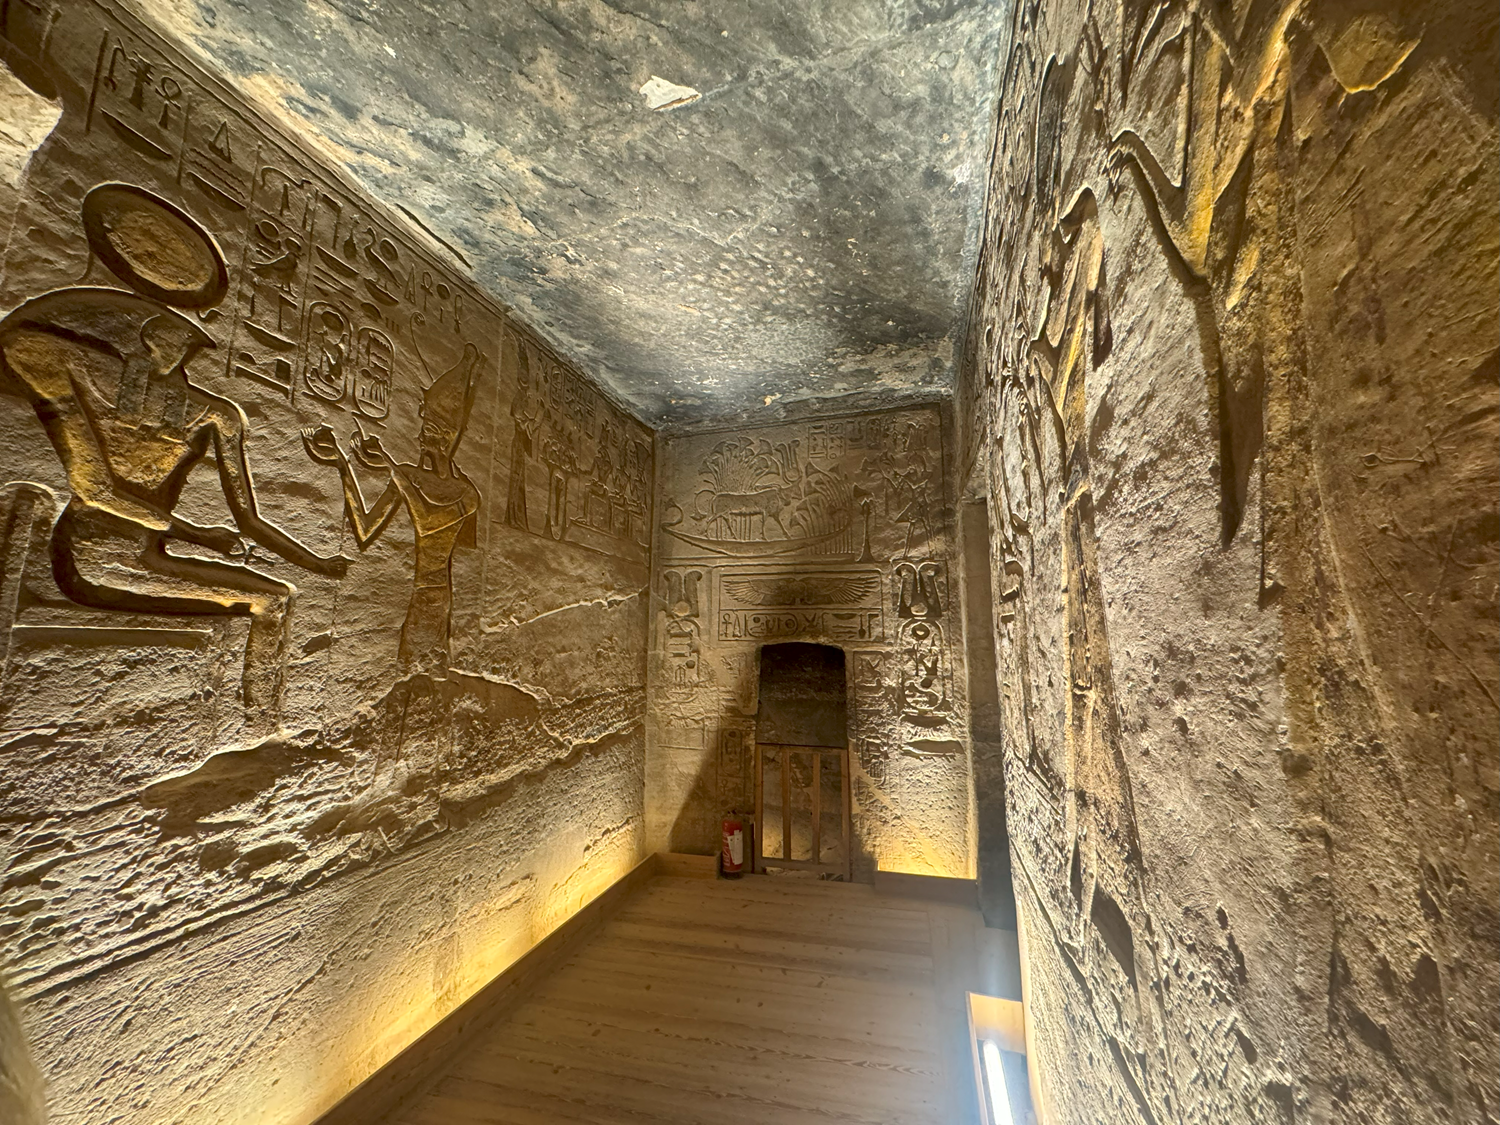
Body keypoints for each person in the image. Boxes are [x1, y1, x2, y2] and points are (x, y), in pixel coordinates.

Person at [0, 183, 347, 711]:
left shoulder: (214, 413)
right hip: (94, 556)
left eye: (178, 335)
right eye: (157, 329)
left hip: (142, 551)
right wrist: (197, 535)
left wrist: (317, 564)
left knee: (278, 596)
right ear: (143, 332)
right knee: (272, 600)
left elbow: (249, 519)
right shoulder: (76, 365)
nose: (167, 344)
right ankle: (259, 725)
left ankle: (259, 725)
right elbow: (94, 489)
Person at [302, 336, 481, 672]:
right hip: (416, 596)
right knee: (409, 672)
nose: (420, 437)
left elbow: (428, 522)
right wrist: (342, 465)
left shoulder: (466, 493)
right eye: (423, 427)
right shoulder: (409, 476)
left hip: (439, 596)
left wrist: (392, 469)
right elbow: (365, 528)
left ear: (446, 437)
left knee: (429, 675)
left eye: (429, 430)